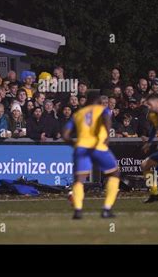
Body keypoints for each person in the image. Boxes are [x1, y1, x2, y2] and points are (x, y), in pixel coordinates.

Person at [62, 91, 120, 219]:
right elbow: (106, 118)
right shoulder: (101, 109)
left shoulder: (78, 114)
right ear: (99, 101)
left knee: (79, 180)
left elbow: (65, 134)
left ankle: (78, 210)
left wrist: (72, 143)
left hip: (81, 147)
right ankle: (106, 209)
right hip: (98, 146)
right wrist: (106, 136)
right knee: (114, 173)